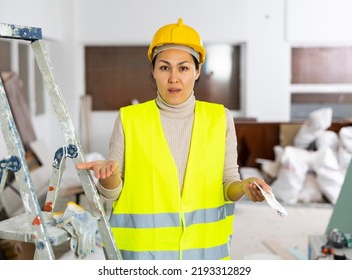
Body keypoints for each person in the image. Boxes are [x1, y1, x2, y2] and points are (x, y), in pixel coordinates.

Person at [76, 18, 271, 260]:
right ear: (154, 71)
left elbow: (228, 182)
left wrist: (244, 185)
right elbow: (112, 194)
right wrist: (109, 176)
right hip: (142, 255)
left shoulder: (219, 118)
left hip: (203, 255)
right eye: (165, 67)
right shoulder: (130, 118)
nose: (173, 78)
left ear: (197, 71)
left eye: (184, 67)